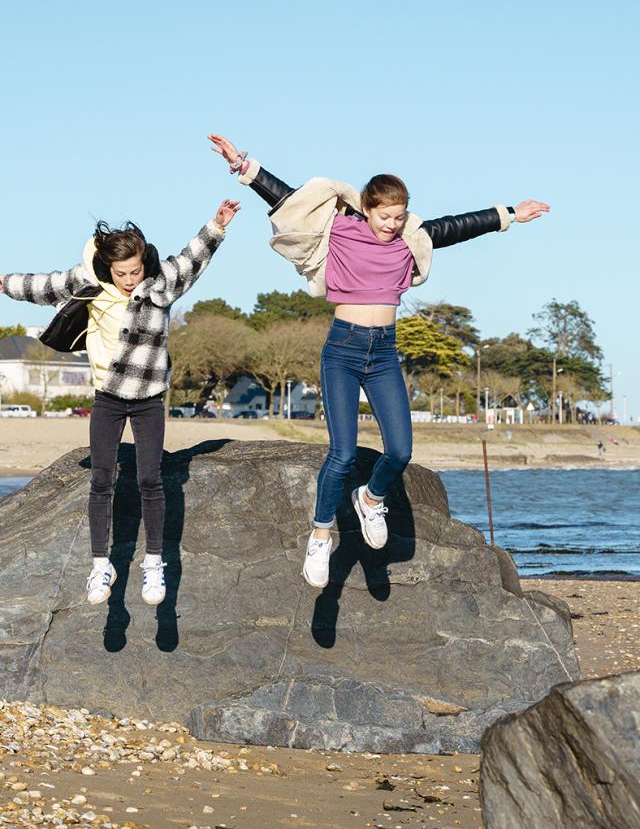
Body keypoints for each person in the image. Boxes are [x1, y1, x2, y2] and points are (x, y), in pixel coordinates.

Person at [210, 133, 550, 589]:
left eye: (399, 216)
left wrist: (510, 214)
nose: (392, 224)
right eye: (385, 216)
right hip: (343, 349)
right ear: (366, 209)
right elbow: (288, 197)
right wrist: (244, 165)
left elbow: (456, 226)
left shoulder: (410, 237)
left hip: (384, 353)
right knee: (343, 452)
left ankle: (370, 499)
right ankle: (321, 533)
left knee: (400, 451)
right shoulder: (342, 229)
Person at [0, 199, 240, 605]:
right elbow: (45, 286)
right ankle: (100, 565)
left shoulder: (160, 282)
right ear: (108, 269)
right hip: (108, 398)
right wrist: (5, 283)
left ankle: (153, 564)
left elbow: (191, 260)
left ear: (144, 262)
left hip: (148, 398)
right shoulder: (89, 283)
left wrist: (216, 227)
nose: (130, 280)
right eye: (122, 274)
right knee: (101, 480)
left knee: (150, 479)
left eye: (135, 271)